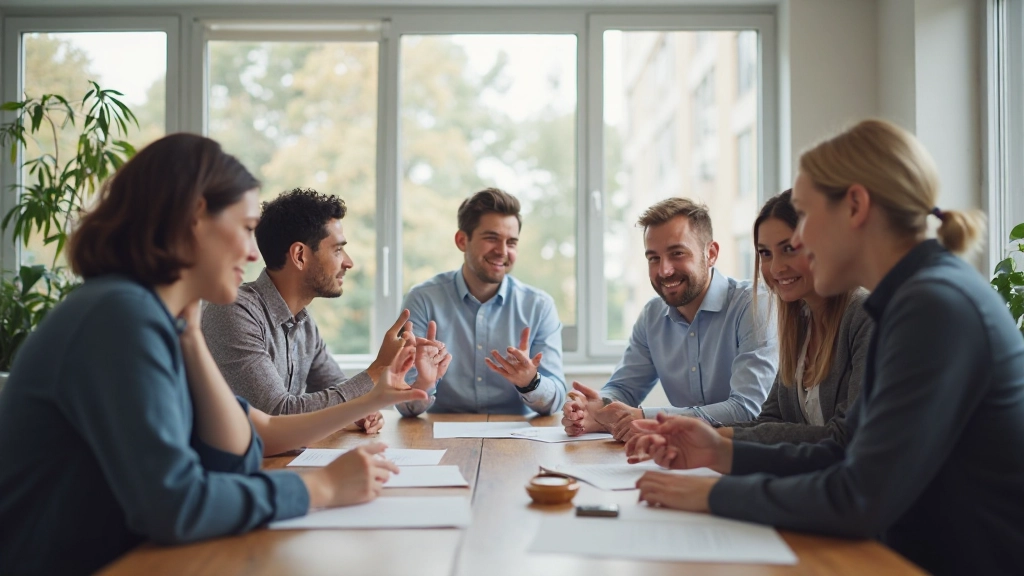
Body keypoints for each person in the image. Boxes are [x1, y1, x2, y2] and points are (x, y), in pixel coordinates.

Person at [0, 134, 429, 576]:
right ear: (194, 219)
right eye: (245, 228)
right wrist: (318, 488)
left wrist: (189, 334)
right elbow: (175, 505)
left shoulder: (157, 318)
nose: (252, 252)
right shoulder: (118, 317)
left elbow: (240, 447)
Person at [625, 119, 1024, 576]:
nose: (800, 241)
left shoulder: (933, 306)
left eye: (806, 216)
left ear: (855, 206)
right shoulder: (912, 298)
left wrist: (713, 494)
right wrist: (718, 451)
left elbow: (859, 495)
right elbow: (847, 453)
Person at [202, 188, 451, 431]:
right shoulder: (233, 312)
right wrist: (379, 369)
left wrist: (362, 411)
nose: (349, 262)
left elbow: (338, 389)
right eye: (338, 249)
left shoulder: (303, 323)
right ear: (300, 255)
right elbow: (277, 414)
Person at [562, 198, 778, 441]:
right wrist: (595, 408)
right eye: (653, 258)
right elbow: (624, 388)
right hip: (683, 454)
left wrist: (647, 418)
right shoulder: (652, 316)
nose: (664, 270)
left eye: (677, 254)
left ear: (711, 254)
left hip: (746, 453)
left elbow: (748, 409)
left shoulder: (753, 305)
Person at [396, 188, 566, 416]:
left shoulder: (539, 306)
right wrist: (424, 383)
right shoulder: (423, 299)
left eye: (511, 242)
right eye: (491, 238)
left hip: (516, 435)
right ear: (462, 240)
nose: (502, 251)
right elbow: (404, 405)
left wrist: (530, 382)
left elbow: (555, 402)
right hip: (440, 432)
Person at [721, 190, 871, 445]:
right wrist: (694, 433)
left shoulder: (863, 315)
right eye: (765, 253)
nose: (776, 268)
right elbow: (770, 420)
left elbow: (848, 436)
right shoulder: (801, 321)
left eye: (789, 248)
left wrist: (719, 437)